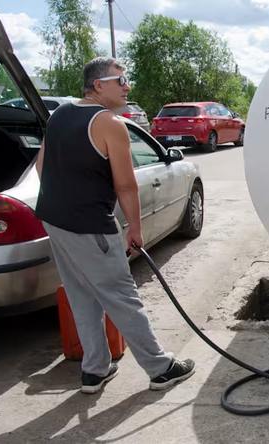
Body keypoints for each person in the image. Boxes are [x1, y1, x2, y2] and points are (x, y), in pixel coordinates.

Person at [35, 57, 196, 394]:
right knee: (121, 296)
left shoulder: (58, 115)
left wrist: (67, 197)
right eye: (121, 81)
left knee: (82, 294)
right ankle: (159, 367)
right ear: (98, 85)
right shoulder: (109, 123)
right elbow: (125, 185)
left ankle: (95, 369)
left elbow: (40, 166)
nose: (127, 87)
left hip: (55, 219)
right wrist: (135, 229)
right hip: (90, 224)